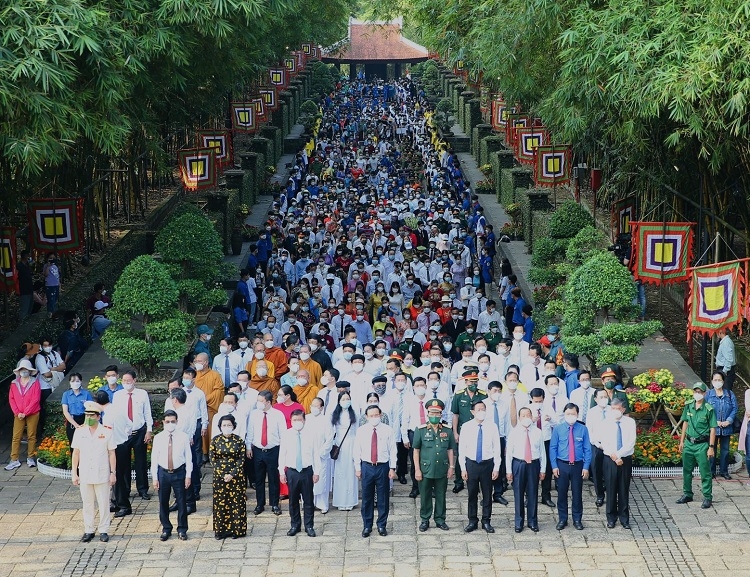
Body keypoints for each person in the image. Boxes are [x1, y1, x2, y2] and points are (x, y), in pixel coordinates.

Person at [71, 401, 117, 542]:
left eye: (91, 415)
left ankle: (103, 530)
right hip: (85, 472)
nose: (89, 417)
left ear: (98, 416)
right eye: (87, 415)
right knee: (87, 503)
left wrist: (113, 472)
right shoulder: (79, 431)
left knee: (103, 503)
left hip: (101, 472)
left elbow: (111, 453)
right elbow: (76, 453)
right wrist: (74, 472)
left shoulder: (107, 431)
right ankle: (89, 529)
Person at [413, 398, 457, 532]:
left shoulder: (447, 430)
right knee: (425, 495)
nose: (434, 416)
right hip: (426, 468)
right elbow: (416, 451)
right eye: (432, 413)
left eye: (437, 414)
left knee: (441, 495)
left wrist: (451, 467)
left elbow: (450, 450)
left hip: (442, 468)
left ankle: (440, 519)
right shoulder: (420, 430)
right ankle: (425, 519)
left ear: (441, 415)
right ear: (427, 414)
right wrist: (417, 470)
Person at [354, 404, 397, 537]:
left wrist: (392, 467)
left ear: (381, 415)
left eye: (376, 415)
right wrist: (357, 468)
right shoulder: (361, 430)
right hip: (367, 466)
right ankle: (367, 525)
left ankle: (381, 525)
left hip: (382, 466)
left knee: (383, 497)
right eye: (371, 416)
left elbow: (393, 450)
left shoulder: (388, 430)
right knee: (367, 497)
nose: (374, 418)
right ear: (366, 417)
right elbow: (357, 450)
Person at [458, 399, 501, 533]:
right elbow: (462, 449)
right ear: (472, 412)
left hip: (487, 464)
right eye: (478, 409)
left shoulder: (492, 426)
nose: (481, 412)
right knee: (472, 494)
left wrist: (496, 467)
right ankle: (472, 520)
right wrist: (463, 468)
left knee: (487, 494)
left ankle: (486, 521)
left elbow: (497, 448)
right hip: (472, 464)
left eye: (483, 409)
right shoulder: (466, 426)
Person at [151, 410, 193, 541]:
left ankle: (182, 529)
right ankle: (166, 528)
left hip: (179, 472)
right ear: (163, 422)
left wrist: (188, 475)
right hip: (163, 473)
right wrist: (155, 478)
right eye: (167, 421)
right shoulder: (158, 437)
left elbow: (188, 457)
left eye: (173, 421)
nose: (170, 424)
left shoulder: (183, 437)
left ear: (177, 422)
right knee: (163, 502)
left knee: (181, 502)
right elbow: (154, 459)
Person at [279, 409, 321, 537]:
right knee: (293, 500)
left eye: (300, 420)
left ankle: (309, 525)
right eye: (294, 420)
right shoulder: (286, 434)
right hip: (292, 471)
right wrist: (281, 471)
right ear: (291, 421)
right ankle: (295, 525)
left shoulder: (311, 434)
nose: (297, 422)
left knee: (308, 500)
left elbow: (316, 454)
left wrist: (317, 471)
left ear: (304, 420)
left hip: (306, 471)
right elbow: (282, 454)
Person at [550, 403, 591, 530]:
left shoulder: (583, 429)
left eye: (573, 414)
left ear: (577, 414)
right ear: (564, 414)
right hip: (562, 465)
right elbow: (553, 448)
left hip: (578, 465)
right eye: (568, 414)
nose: (570, 416)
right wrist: (554, 466)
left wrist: (586, 467)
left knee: (577, 493)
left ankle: (577, 519)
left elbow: (587, 449)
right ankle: (563, 519)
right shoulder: (558, 429)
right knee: (561, 493)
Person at [112, 370, 153, 500]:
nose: (126, 383)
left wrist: (149, 430)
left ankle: (143, 489)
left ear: (134, 380)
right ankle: (126, 489)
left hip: (139, 431)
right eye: (124, 381)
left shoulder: (142, 394)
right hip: (123, 433)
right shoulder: (118, 395)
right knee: (124, 463)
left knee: (140, 462)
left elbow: (147, 412)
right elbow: (115, 415)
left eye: (129, 381)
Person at [676, 382, 717, 509]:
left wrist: (711, 447)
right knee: (687, 471)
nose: (697, 394)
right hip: (689, 443)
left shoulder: (709, 409)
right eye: (695, 391)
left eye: (700, 392)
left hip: (702, 445)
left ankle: (707, 497)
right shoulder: (688, 406)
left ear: (704, 393)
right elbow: (685, 423)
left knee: (705, 472)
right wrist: (682, 441)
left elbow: (712, 429)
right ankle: (687, 494)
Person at [506, 406, 546, 532]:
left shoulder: (538, 432)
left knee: (533, 493)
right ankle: (519, 522)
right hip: (519, 464)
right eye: (523, 415)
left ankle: (532, 521)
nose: (526, 418)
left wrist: (543, 469)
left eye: (528, 415)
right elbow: (509, 453)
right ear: (519, 418)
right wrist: (508, 470)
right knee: (518, 493)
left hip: (533, 465)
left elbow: (542, 452)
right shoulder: (514, 432)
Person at [246, 390, 286, 516]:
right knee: (259, 479)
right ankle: (260, 504)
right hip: (258, 450)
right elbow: (250, 431)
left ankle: (274, 504)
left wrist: (283, 451)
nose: (258, 403)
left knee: (274, 478)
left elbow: (283, 434)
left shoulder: (278, 414)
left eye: (261, 401)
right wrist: (248, 447)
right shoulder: (254, 414)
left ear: (268, 402)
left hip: (273, 450)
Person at [94, 390, 132, 518]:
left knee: (117, 476)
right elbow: (130, 425)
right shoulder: (118, 409)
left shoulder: (108, 415)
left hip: (115, 447)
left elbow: (107, 434)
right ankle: (117, 501)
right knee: (122, 475)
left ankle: (124, 505)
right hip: (124, 444)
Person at [450, 367, 488, 493]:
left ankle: (475, 481)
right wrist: (455, 432)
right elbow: (455, 415)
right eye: (470, 382)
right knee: (461, 455)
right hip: (463, 431)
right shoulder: (459, 395)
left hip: (479, 430)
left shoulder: (483, 395)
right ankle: (459, 482)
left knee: (476, 456)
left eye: (475, 381)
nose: (473, 384)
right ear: (465, 382)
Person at [210, 414, 247, 539]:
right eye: (224, 425)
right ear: (220, 427)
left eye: (229, 425)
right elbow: (212, 459)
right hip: (220, 477)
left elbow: (241, 459)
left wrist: (232, 474)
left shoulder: (239, 440)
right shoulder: (215, 440)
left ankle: (237, 530)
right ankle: (220, 531)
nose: (226, 427)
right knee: (220, 503)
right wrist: (222, 474)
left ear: (234, 426)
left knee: (236, 503)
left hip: (236, 476)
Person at [601, 397, 635, 529]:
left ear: (623, 409)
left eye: (618, 409)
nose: (615, 411)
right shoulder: (605, 423)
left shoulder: (630, 422)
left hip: (625, 459)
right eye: (613, 408)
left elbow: (630, 442)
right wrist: (615, 457)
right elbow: (604, 442)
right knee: (610, 489)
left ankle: (624, 518)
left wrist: (620, 455)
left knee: (623, 489)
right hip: (610, 459)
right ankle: (611, 517)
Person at [6, 359, 43, 470]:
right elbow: (11, 399)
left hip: (33, 412)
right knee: (16, 437)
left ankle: (30, 457)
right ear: (19, 371)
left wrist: (25, 412)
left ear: (30, 371)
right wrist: (18, 412)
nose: (24, 371)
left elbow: (35, 399)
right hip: (18, 414)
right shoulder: (14, 383)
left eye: (26, 369)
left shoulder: (35, 382)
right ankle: (14, 459)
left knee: (31, 436)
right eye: (22, 369)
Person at [705, 370, 737, 480]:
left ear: (723, 381)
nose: (717, 382)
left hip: (726, 428)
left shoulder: (729, 394)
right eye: (715, 380)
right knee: (711, 449)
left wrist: (729, 420)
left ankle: (724, 471)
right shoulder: (708, 395)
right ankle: (711, 471)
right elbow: (705, 410)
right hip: (713, 428)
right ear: (712, 381)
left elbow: (734, 408)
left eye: (719, 380)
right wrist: (714, 421)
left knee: (725, 450)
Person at [330, 391, 359, 511]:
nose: (346, 401)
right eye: (343, 399)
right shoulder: (335, 414)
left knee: (351, 472)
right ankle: (340, 501)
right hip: (339, 445)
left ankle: (351, 501)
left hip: (352, 443)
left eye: (348, 399)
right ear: (339, 401)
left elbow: (357, 431)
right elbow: (331, 430)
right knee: (340, 473)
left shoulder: (354, 413)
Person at [62, 372, 93, 449]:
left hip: (85, 419)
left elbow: (90, 409)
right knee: (73, 445)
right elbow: (65, 411)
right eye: (73, 381)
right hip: (72, 420)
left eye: (77, 381)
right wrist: (76, 425)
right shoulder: (66, 394)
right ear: (69, 382)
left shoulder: (86, 394)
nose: (75, 383)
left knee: (86, 445)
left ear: (81, 381)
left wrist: (85, 424)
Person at [715, 327, 736, 391]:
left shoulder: (726, 343)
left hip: (725, 370)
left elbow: (729, 359)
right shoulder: (725, 342)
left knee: (725, 391)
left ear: (721, 332)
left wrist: (724, 371)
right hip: (724, 369)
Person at [17, 250, 34, 320]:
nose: (28, 257)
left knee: (30, 307)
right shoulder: (19, 266)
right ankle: (22, 324)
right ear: (24, 256)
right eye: (27, 255)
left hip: (30, 288)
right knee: (24, 308)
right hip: (23, 289)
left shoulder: (27, 265)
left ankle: (27, 322)